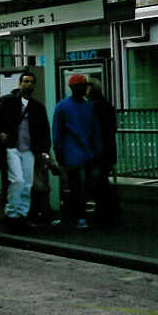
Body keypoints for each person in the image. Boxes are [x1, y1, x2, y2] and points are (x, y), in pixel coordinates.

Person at [0, 71, 51, 231]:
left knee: (27, 183)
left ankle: (22, 214)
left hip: (29, 150)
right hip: (12, 148)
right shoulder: (8, 101)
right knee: (17, 181)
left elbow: (44, 131)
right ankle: (11, 214)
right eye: (25, 81)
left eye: (31, 82)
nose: (28, 84)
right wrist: (1, 134)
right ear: (19, 84)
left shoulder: (38, 107)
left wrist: (44, 150)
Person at [52, 74, 101, 229]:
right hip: (81, 154)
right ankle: (78, 217)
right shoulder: (87, 106)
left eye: (84, 86)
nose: (82, 89)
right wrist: (95, 151)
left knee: (75, 188)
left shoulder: (63, 106)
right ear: (73, 88)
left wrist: (59, 154)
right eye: (80, 86)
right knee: (79, 188)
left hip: (73, 154)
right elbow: (95, 131)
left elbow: (57, 133)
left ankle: (73, 217)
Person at [87, 78, 119, 222]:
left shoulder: (92, 107)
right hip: (108, 150)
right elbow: (113, 129)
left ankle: (105, 209)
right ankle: (110, 208)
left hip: (97, 151)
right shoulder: (107, 106)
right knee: (102, 180)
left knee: (97, 181)